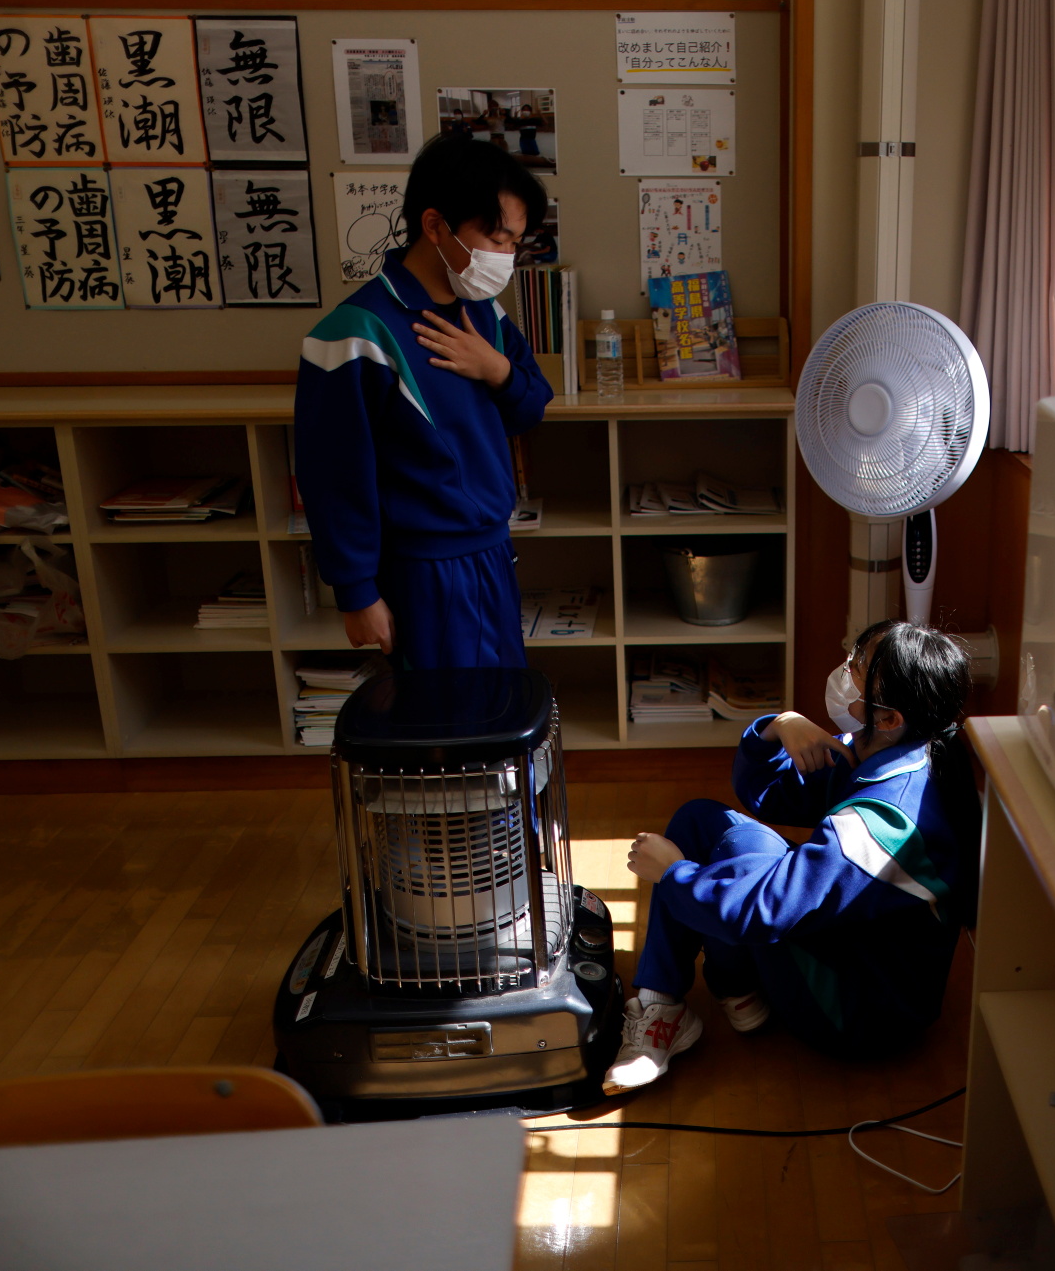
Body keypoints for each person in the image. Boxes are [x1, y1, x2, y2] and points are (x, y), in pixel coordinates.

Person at [605, 621, 982, 1092]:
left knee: (722, 856)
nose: (845, 670)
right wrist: (779, 726)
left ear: (888, 718)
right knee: (701, 822)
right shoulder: (902, 750)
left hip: (857, 1018)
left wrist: (673, 874)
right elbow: (771, 794)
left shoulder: (884, 824)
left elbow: (762, 911)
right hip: (862, 969)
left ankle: (674, 1005)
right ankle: (725, 993)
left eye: (859, 668)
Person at [293, 134, 552, 669]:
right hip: (422, 570)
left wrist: (496, 370)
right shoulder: (356, 332)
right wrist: (357, 592)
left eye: (514, 244)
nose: (505, 258)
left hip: (492, 553)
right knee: (443, 728)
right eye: (497, 239)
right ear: (435, 226)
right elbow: (333, 475)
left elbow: (532, 406)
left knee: (497, 715)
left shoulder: (484, 314)